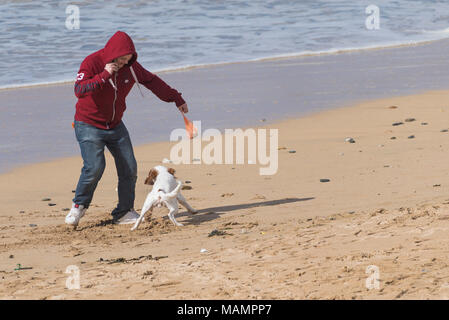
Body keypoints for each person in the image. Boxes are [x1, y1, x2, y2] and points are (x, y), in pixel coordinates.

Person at [65, 30, 188, 227]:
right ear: (112, 53)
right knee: (94, 167)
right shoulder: (92, 62)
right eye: (121, 59)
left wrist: (175, 97)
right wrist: (105, 74)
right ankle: (78, 207)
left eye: (127, 59)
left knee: (129, 167)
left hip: (115, 125)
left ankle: (123, 212)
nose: (123, 63)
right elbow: (79, 90)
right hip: (88, 124)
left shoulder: (131, 67)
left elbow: (152, 81)